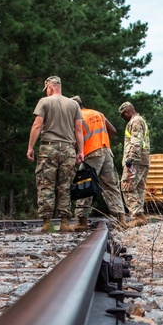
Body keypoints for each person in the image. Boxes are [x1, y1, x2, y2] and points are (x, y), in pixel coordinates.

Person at [27, 76, 84, 233]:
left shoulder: (44, 102)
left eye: (46, 89)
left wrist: (30, 147)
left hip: (48, 149)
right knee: (65, 186)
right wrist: (80, 151)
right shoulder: (73, 104)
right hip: (68, 149)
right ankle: (65, 222)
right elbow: (78, 130)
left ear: (50, 87)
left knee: (46, 184)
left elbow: (37, 124)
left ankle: (47, 223)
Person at [72, 96, 126, 230]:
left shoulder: (77, 117)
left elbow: (77, 137)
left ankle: (81, 220)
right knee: (111, 186)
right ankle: (121, 219)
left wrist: (79, 151)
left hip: (91, 153)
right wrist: (102, 142)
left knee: (84, 184)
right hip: (106, 152)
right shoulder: (98, 114)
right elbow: (112, 130)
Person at [119, 101, 150, 228]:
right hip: (143, 160)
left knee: (127, 186)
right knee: (138, 188)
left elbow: (136, 141)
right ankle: (141, 216)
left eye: (123, 115)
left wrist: (130, 158)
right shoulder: (141, 120)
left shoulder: (135, 121)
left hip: (135, 161)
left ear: (127, 112)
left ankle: (137, 216)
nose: (123, 118)